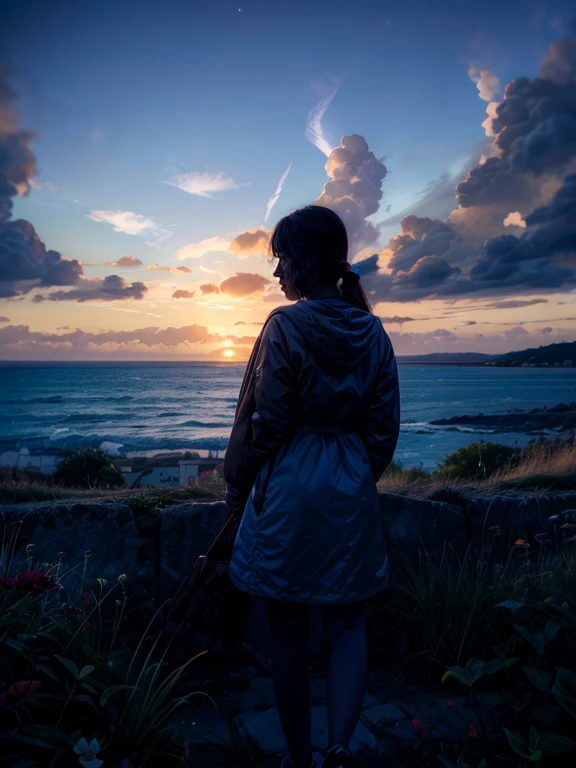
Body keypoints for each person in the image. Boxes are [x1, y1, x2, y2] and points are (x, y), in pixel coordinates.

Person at [223, 204, 401, 768]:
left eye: (280, 261)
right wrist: (351, 473)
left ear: (303, 262)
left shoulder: (285, 324)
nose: (276, 274)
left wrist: (239, 479)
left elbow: (267, 421)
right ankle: (340, 748)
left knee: (288, 632)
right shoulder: (372, 330)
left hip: (291, 490)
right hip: (349, 487)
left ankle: (301, 759)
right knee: (349, 623)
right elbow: (383, 429)